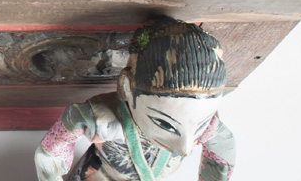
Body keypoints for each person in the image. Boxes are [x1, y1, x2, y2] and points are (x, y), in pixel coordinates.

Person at [34, 17, 236, 181]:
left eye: (199, 125)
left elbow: (223, 149)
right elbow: (49, 153)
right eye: (165, 123)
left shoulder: (206, 126)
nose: (185, 149)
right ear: (126, 87)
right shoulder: (101, 118)